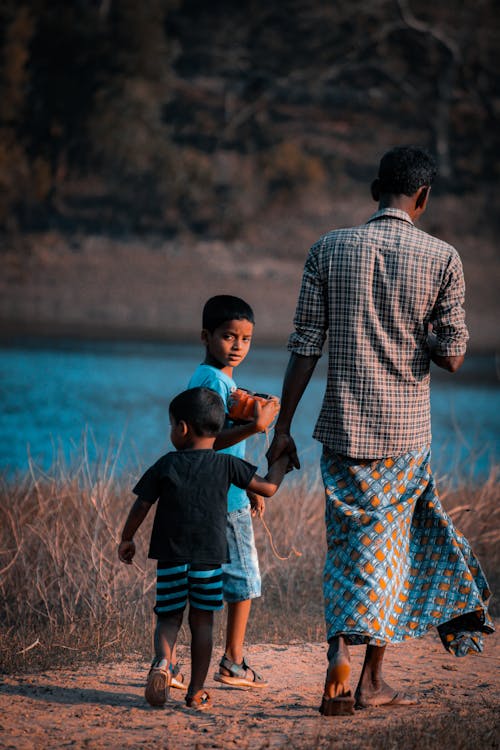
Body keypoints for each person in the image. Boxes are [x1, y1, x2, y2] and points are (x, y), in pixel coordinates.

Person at [266, 146, 494, 716]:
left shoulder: (328, 249)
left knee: (345, 550)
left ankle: (336, 661)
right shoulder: (444, 258)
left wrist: (282, 430)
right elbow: (454, 356)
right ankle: (371, 679)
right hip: (404, 436)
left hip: (342, 430)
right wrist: (421, 329)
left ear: (375, 190)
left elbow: (304, 348)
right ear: (424, 197)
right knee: (392, 556)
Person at [118, 387, 289, 710]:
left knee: (168, 619)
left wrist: (127, 538)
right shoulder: (227, 464)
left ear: (182, 428)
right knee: (203, 623)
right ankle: (195, 692)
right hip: (209, 561)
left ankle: (162, 665)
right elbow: (267, 487)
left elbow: (142, 505)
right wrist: (281, 459)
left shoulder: (166, 464)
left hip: (170, 558)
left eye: (171, 426)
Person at [187, 295, 280, 688]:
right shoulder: (212, 381)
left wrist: (247, 480)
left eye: (245, 338)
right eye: (228, 336)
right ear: (206, 336)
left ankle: (176, 663)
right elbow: (206, 440)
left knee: (201, 581)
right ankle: (234, 661)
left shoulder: (219, 379)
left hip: (217, 492)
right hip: (225, 502)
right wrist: (257, 428)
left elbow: (219, 440)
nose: (238, 345)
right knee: (243, 581)